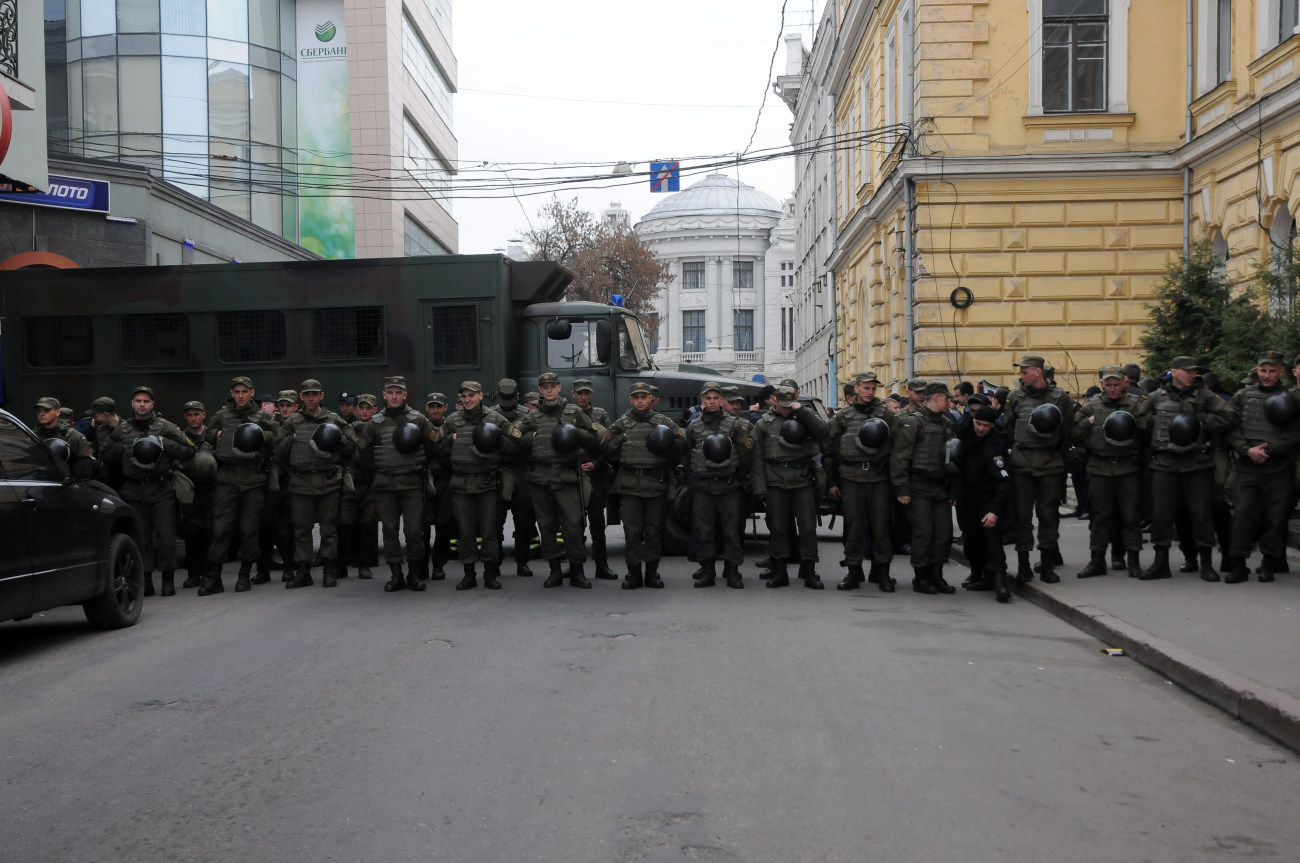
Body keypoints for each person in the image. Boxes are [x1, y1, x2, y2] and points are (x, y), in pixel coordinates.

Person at [1141, 356, 1232, 580]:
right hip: (1165, 462)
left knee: (1201, 513)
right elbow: (1139, 419)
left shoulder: (1205, 396)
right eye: (1188, 371)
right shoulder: (1156, 397)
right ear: (1174, 372)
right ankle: (1160, 562)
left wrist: (1202, 421)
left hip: (1196, 463)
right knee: (1161, 514)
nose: (1193, 375)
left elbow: (1230, 415)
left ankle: (1206, 564)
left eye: (1194, 371)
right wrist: (1155, 423)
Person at [101, 385, 195, 597]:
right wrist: (124, 447)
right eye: (138, 401)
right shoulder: (123, 430)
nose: (142, 404)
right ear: (132, 404)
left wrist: (165, 444)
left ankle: (168, 579)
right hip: (133, 491)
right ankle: (146, 579)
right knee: (140, 537)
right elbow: (105, 453)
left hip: (161, 489)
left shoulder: (165, 427)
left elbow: (189, 450)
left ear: (152, 404)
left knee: (165, 536)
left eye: (146, 401)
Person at [516, 372, 600, 588]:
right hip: (541, 478)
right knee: (546, 526)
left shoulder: (574, 412)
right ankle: (554, 570)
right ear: (540, 390)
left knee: (573, 525)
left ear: (559, 388)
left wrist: (576, 434)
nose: (550, 390)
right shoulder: (532, 416)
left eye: (553, 386)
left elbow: (593, 439)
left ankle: (577, 571)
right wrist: (529, 437)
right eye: (545, 387)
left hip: (567, 477)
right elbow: (515, 440)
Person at [434, 381, 519, 590]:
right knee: (465, 531)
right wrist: (450, 442)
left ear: (480, 396)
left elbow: (516, 443)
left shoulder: (494, 418)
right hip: (462, 483)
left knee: (489, 529)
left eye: (471, 395)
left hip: (487, 482)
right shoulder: (453, 420)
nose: (467, 400)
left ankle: (490, 573)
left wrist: (498, 442)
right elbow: (437, 446)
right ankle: (469, 574)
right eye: (464, 396)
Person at [1223, 350, 1299, 583]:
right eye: (1263, 370)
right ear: (1257, 370)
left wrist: (1268, 450)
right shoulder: (1243, 395)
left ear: (1281, 372)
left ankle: (1268, 563)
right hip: (1247, 466)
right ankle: (1238, 563)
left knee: (1275, 518)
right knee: (1242, 514)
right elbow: (1231, 426)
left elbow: (1295, 433)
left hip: (1276, 467)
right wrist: (1247, 450)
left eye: (1272, 371)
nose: (1267, 375)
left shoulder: (1291, 398)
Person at [602, 382, 687, 589]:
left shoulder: (662, 421)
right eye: (636, 397)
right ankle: (633, 574)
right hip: (630, 486)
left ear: (651, 399)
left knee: (654, 532)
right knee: (632, 532)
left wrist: (667, 443)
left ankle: (651, 573)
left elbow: (684, 443)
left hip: (654, 485)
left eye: (644, 397)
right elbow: (605, 448)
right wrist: (619, 441)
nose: (640, 401)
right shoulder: (622, 423)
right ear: (631, 399)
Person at [355, 376, 435, 593]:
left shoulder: (418, 420)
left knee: (413, 531)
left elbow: (432, 445)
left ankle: (415, 574)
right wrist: (379, 467)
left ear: (405, 394)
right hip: (385, 485)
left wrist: (419, 466)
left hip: (412, 484)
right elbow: (361, 450)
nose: (394, 396)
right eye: (390, 392)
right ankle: (396, 574)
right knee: (389, 531)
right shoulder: (376, 423)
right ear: (384, 395)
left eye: (398, 392)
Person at [199, 376, 277, 595]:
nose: (240, 395)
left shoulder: (261, 416)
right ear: (232, 393)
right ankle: (213, 577)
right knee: (221, 529)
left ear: (252, 393)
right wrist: (219, 434)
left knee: (249, 529)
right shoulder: (222, 415)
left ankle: (245, 574)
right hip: (227, 479)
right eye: (237, 392)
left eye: (245, 391)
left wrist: (261, 434)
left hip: (252, 478)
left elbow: (276, 436)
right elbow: (209, 434)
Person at [274, 379, 356, 589]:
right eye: (307, 394)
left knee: (329, 529)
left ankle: (329, 571)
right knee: (301, 529)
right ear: (301, 397)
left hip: (327, 482)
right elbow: (279, 453)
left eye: (315, 394)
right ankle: (303, 571)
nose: (311, 398)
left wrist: (336, 438)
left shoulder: (334, 419)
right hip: (301, 483)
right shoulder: (292, 422)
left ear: (321, 395)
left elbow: (351, 446)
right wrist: (290, 441)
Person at [1071, 366, 1150, 579]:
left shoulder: (1135, 405)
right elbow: (1075, 432)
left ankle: (1133, 559)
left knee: (1130, 515)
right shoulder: (1093, 405)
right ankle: (1097, 560)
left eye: (1116, 384)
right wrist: (1087, 423)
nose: (1113, 389)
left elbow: (1146, 432)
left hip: (1127, 466)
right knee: (1100, 515)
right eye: (1108, 385)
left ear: (1124, 383)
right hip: (1100, 466)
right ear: (1102, 385)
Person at [824, 372, 899, 592]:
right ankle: (853, 572)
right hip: (851, 477)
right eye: (866, 388)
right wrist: (831, 482)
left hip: (878, 477)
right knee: (853, 526)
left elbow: (899, 445)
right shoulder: (844, 415)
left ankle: (882, 572)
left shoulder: (885, 413)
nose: (870, 392)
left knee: (881, 526)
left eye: (873, 389)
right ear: (856, 388)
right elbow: (830, 448)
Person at [1004, 354, 1074, 583]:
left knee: (1048, 516)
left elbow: (1066, 434)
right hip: (1022, 464)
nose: (1021, 376)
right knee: (1022, 516)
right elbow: (1008, 428)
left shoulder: (1060, 398)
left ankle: (1047, 565)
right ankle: (1023, 564)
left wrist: (1064, 464)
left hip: (1050, 464)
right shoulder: (1015, 396)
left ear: (1037, 372)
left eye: (1024, 372)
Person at [750, 383, 829, 588]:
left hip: (802, 480)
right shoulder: (764, 423)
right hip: (775, 480)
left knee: (807, 528)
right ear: (774, 400)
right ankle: (780, 571)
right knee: (778, 529)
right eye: (783, 403)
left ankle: (809, 570)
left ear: (796, 397)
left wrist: (802, 412)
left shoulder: (805, 415)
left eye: (790, 402)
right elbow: (757, 458)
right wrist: (759, 489)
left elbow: (823, 431)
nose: (786, 407)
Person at [890, 381, 958, 594]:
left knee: (943, 532)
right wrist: (902, 489)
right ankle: (921, 577)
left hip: (940, 486)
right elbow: (900, 457)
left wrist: (954, 490)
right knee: (923, 532)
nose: (950, 402)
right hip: (918, 485)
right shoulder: (913, 423)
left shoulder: (947, 424)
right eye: (946, 398)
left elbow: (953, 459)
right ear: (936, 398)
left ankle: (937, 575)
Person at [683, 382, 752, 589]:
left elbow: (745, 454)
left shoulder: (735, 425)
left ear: (722, 400)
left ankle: (732, 570)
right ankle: (707, 571)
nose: (712, 402)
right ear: (702, 401)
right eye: (708, 398)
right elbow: (687, 454)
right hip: (703, 487)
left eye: (715, 398)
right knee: (705, 531)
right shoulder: (693, 426)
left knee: (731, 530)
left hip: (728, 485)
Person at [957, 405, 1013, 602]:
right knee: (972, 542)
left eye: (985, 425)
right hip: (968, 500)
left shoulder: (995, 446)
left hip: (988, 502)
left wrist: (994, 511)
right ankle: (978, 574)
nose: (980, 428)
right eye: (978, 423)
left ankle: (999, 582)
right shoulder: (966, 437)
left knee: (992, 544)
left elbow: (1003, 481)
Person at [573, 378, 617, 579]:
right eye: (579, 393)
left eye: (586, 393)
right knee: (575, 524)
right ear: (573, 394)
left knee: (597, 522)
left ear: (591, 394)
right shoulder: (567, 414)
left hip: (596, 475)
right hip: (575, 474)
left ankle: (602, 566)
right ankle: (575, 566)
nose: (583, 397)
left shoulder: (601, 414)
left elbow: (609, 445)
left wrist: (596, 464)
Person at [492, 379, 537, 576]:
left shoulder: (528, 414)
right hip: (499, 468)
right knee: (496, 519)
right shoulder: (490, 415)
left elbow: (528, 442)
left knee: (523, 519)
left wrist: (503, 443)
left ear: (517, 396)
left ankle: (522, 561)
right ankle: (496, 560)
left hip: (521, 468)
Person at [177, 400, 216, 591]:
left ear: (203, 415)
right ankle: (193, 574)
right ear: (185, 417)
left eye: (196, 414)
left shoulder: (212, 436)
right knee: (192, 533)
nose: (193, 418)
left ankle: (209, 573)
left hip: (210, 491)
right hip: (189, 491)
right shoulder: (180, 437)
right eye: (190, 415)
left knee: (210, 532)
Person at [340, 393, 380, 579]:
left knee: (368, 523)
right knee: (345, 522)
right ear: (355, 410)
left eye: (368, 408)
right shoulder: (346, 430)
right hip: (351, 482)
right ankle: (342, 563)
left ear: (375, 410)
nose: (364, 411)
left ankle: (366, 563)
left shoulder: (379, 430)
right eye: (361, 408)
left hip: (371, 482)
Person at [422, 392, 455, 581]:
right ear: (427, 408)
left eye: (438, 406)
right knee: (423, 526)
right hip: (426, 480)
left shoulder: (450, 427)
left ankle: (439, 566)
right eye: (432, 406)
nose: (435, 409)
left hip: (445, 481)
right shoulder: (420, 426)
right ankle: (422, 565)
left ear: (445, 408)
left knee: (444, 526)